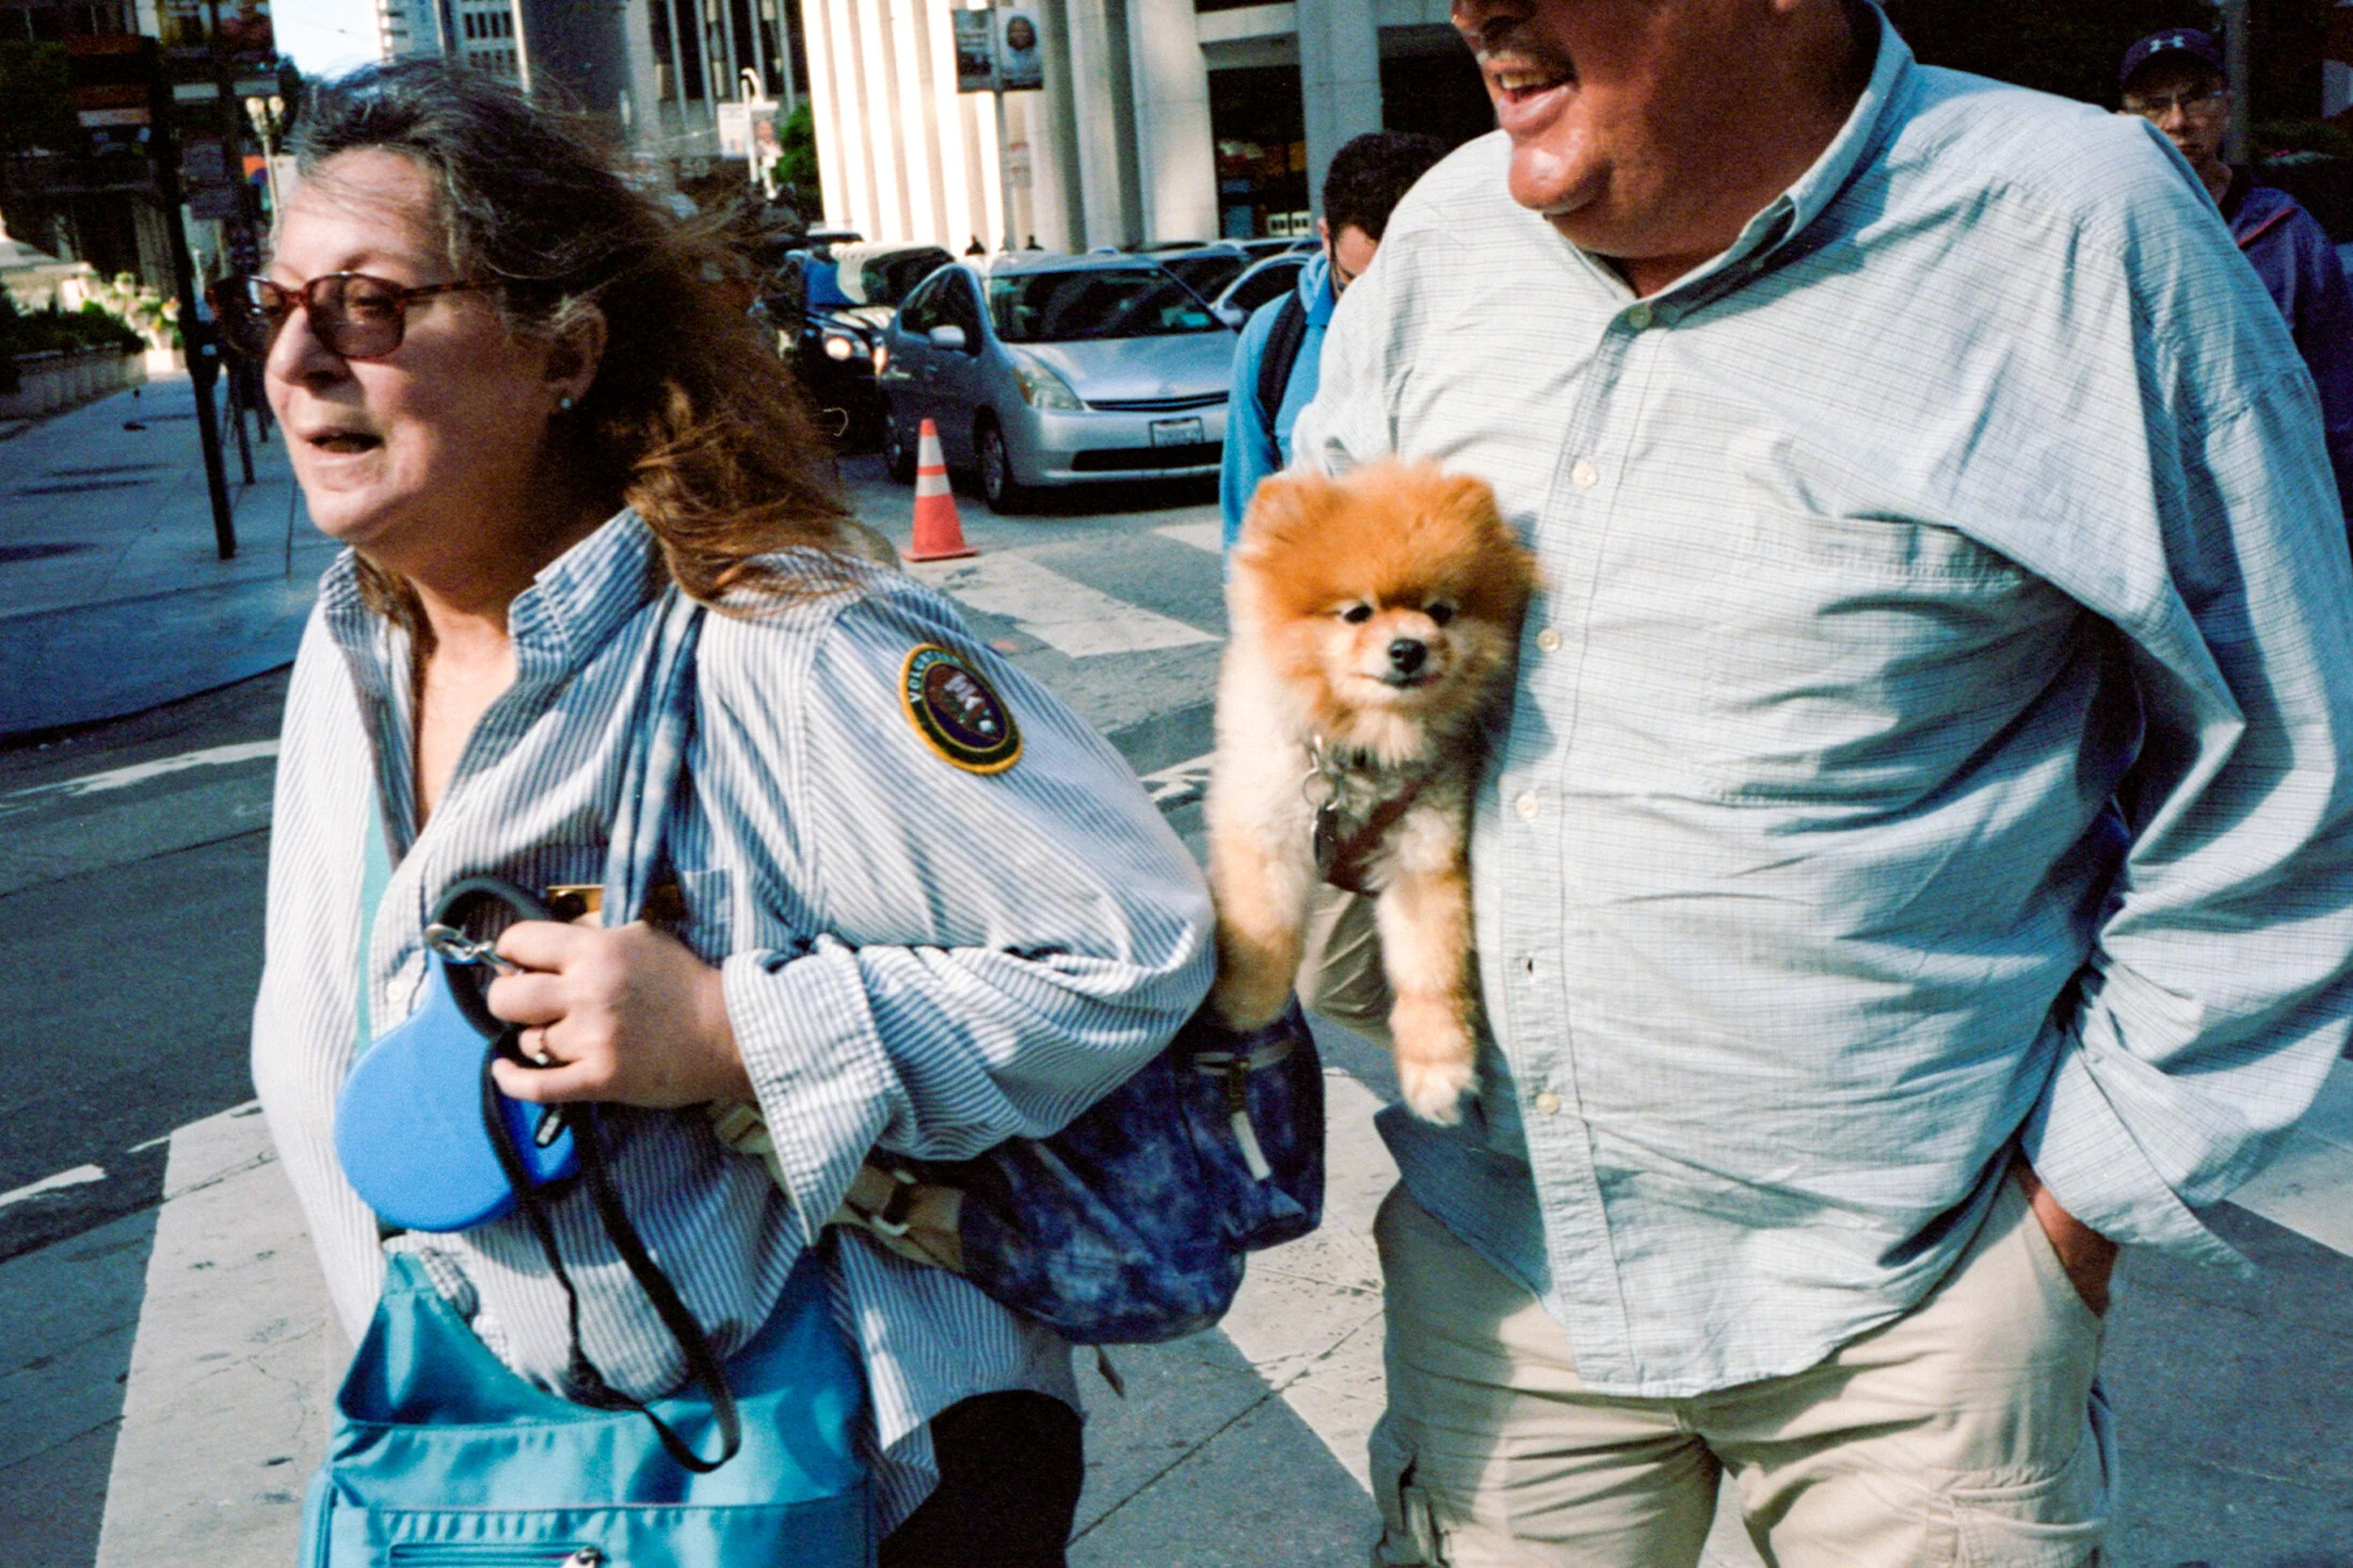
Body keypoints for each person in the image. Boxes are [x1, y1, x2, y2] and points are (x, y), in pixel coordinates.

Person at [1290, 1, 2353, 1563]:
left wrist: (2081, 1206)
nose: (1470, 6)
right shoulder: (1444, 237)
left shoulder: (2078, 225)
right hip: (1504, 1261)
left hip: (1918, 1301)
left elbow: (2288, 753)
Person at [242, 63, 1212, 1566]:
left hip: (855, 1469)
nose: (299, 359)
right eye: (278, 300)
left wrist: (729, 1028)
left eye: (368, 304)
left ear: (561, 351)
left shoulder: (781, 635)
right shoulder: (349, 647)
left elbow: (1132, 944)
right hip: (514, 1462)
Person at [2119, 26, 2353, 531]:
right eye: (2154, 104)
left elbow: (2336, 391)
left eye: (2197, 96)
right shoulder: (2113, 233)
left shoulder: (2288, 234)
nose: (2179, 121)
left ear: (2227, 106)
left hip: (2272, 504)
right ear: (2125, 121)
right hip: (2151, 510)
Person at [1218, 130, 1448, 551]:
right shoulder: (1271, 338)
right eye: (1354, 286)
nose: (1376, 316)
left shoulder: (1478, 327)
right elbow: (1247, 525)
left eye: (1403, 292)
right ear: (1325, 237)